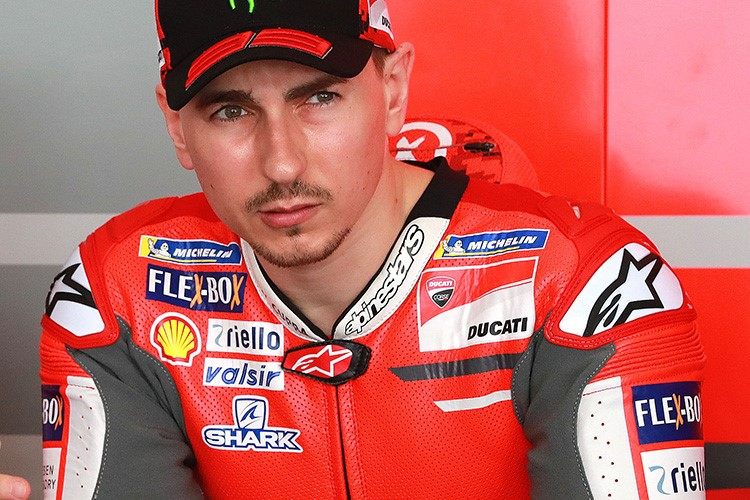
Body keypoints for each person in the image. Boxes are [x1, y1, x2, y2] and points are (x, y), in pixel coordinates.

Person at [38, 0, 705, 498]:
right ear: (176, 125)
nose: (281, 163)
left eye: (319, 97)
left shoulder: (588, 282)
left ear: (393, 90)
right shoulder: (115, 292)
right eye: (230, 111)